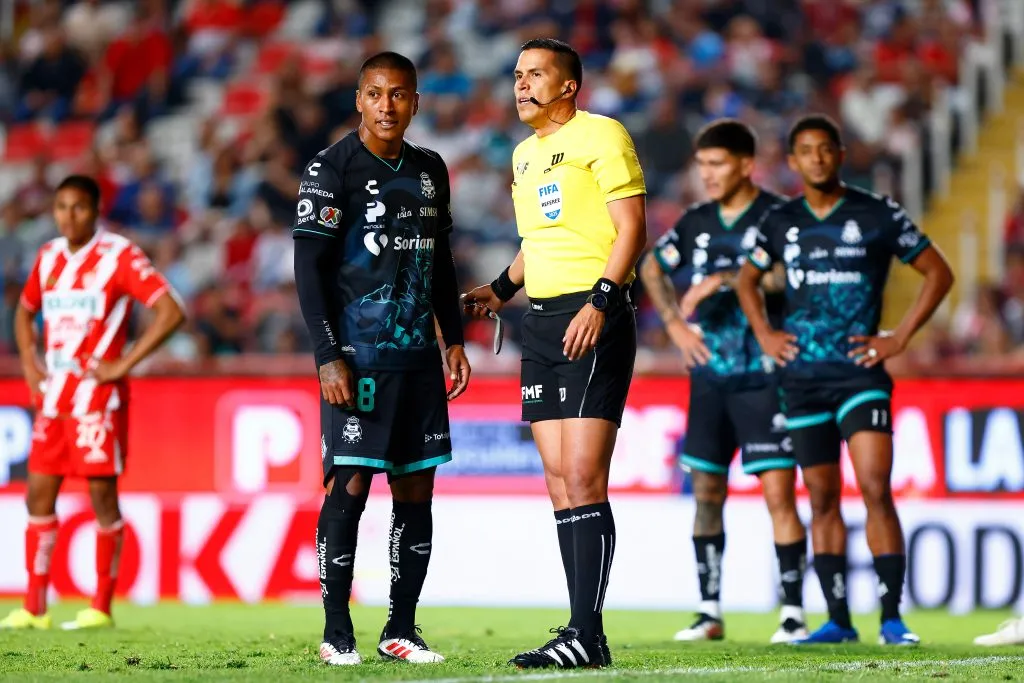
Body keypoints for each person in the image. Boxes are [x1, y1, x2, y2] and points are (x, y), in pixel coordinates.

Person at [462, 38, 647, 669]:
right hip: (540, 324)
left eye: (535, 74)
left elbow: (631, 228)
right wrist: (500, 288)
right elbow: (537, 242)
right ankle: (580, 631)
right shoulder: (523, 155)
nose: (521, 84)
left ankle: (586, 633)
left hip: (593, 315)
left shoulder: (603, 135)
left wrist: (601, 302)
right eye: (517, 75)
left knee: (584, 474)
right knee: (560, 481)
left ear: (568, 85)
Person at [735, 115, 954, 645]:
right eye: (806, 151)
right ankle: (838, 620)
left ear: (840, 154)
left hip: (861, 375)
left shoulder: (878, 213)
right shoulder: (780, 220)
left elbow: (939, 272)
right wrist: (765, 334)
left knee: (876, 486)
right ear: (792, 161)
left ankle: (892, 617)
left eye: (825, 149)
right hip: (802, 378)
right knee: (821, 497)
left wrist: (899, 337)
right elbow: (746, 281)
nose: (816, 158)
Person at [292, 51, 470, 667]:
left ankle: (401, 629)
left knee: (416, 490)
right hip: (357, 361)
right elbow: (309, 269)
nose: (386, 106)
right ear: (359, 100)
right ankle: (335, 629)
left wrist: (453, 339)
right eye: (375, 93)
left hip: (418, 360)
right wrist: (327, 355)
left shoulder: (431, 169)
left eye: (398, 94)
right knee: (350, 486)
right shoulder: (330, 168)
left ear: (416, 102)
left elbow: (439, 262)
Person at [638, 119, 808, 644]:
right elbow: (651, 267)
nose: (707, 174)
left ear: (746, 165)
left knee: (778, 493)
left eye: (717, 164)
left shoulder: (779, 216)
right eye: (702, 165)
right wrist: (674, 327)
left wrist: (727, 278)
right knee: (707, 492)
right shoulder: (696, 222)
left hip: (764, 376)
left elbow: (793, 274)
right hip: (710, 378)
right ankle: (708, 611)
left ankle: (793, 613)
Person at [1, 175, 185, 631]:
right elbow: (24, 312)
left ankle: (101, 606)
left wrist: (124, 364)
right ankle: (34, 608)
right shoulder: (48, 256)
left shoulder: (119, 255)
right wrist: (30, 364)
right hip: (54, 398)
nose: (69, 216)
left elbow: (171, 311)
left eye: (79, 207)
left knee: (102, 497)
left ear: (96, 210)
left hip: (98, 398)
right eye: (61, 207)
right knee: (38, 494)